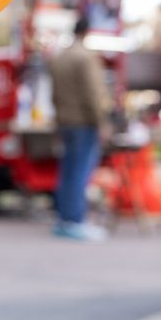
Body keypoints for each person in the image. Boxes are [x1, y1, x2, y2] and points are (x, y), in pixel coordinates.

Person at [49, 16, 110, 241]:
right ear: (87, 32)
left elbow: (54, 94)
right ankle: (75, 220)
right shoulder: (85, 58)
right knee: (80, 173)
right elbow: (92, 95)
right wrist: (101, 123)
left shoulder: (60, 57)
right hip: (84, 122)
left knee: (67, 171)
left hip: (65, 122)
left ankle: (64, 218)